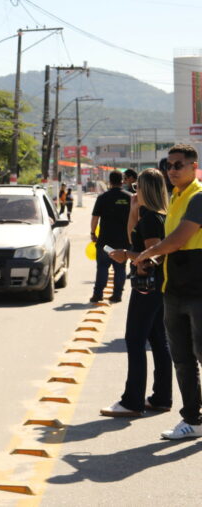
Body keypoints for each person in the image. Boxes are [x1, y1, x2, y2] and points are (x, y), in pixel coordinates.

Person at [136, 144, 202, 440]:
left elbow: (177, 239)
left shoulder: (198, 197)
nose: (172, 170)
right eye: (169, 165)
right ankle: (193, 419)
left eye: (178, 165)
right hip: (174, 290)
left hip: (198, 291)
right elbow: (167, 248)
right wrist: (133, 254)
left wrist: (148, 252)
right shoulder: (175, 198)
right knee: (183, 360)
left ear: (193, 166)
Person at [99, 168, 172, 418]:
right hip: (157, 287)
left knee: (135, 339)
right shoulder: (155, 215)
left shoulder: (152, 218)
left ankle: (132, 401)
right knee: (158, 341)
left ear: (146, 190)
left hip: (147, 287)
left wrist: (126, 256)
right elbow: (133, 238)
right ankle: (162, 397)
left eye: (137, 187)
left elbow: (153, 256)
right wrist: (133, 209)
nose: (134, 191)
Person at [90, 170, 132, 303]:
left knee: (102, 267)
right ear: (122, 181)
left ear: (110, 181)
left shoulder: (102, 198)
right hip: (123, 241)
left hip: (105, 241)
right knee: (120, 268)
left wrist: (92, 233)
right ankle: (117, 295)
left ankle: (98, 295)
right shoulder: (130, 197)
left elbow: (95, 218)